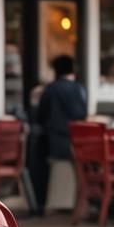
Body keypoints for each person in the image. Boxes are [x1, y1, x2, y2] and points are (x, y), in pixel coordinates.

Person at [37, 55, 88, 213]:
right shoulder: (79, 89)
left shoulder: (51, 89)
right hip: (79, 145)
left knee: (36, 155)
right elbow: (82, 114)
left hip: (56, 143)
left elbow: (41, 115)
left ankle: (39, 204)